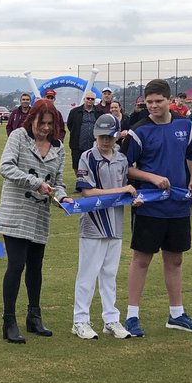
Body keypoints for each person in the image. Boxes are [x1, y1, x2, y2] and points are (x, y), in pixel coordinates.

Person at [121, 79, 192, 336]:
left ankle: (176, 314)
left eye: (158, 101)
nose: (154, 106)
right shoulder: (139, 131)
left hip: (178, 204)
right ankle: (132, 316)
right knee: (142, 259)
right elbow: (127, 166)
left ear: (170, 101)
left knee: (175, 258)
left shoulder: (184, 125)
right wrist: (152, 178)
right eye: (149, 102)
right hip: (149, 205)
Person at [0, 98, 67, 343]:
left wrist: (63, 198)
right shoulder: (18, 137)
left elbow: (59, 183)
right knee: (16, 265)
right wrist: (36, 183)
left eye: (50, 123)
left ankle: (34, 317)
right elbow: (6, 167)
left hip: (39, 215)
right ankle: (9, 321)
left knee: (36, 267)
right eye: (41, 122)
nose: (45, 128)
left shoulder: (59, 148)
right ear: (31, 119)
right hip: (16, 212)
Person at [71, 113, 137, 340]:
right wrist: (122, 191)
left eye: (109, 136)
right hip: (93, 224)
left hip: (115, 224)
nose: (105, 141)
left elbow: (125, 189)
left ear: (117, 136)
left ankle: (111, 319)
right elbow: (87, 192)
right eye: (101, 136)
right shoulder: (87, 157)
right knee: (87, 274)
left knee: (110, 274)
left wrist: (131, 195)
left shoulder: (122, 159)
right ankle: (80, 320)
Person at [66, 91, 104, 171]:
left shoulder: (99, 113)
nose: (90, 100)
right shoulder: (74, 112)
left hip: (94, 146)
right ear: (84, 99)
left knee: (93, 166)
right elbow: (70, 125)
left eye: (92, 99)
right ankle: (80, 181)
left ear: (94, 100)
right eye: (88, 98)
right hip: (78, 145)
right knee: (77, 166)